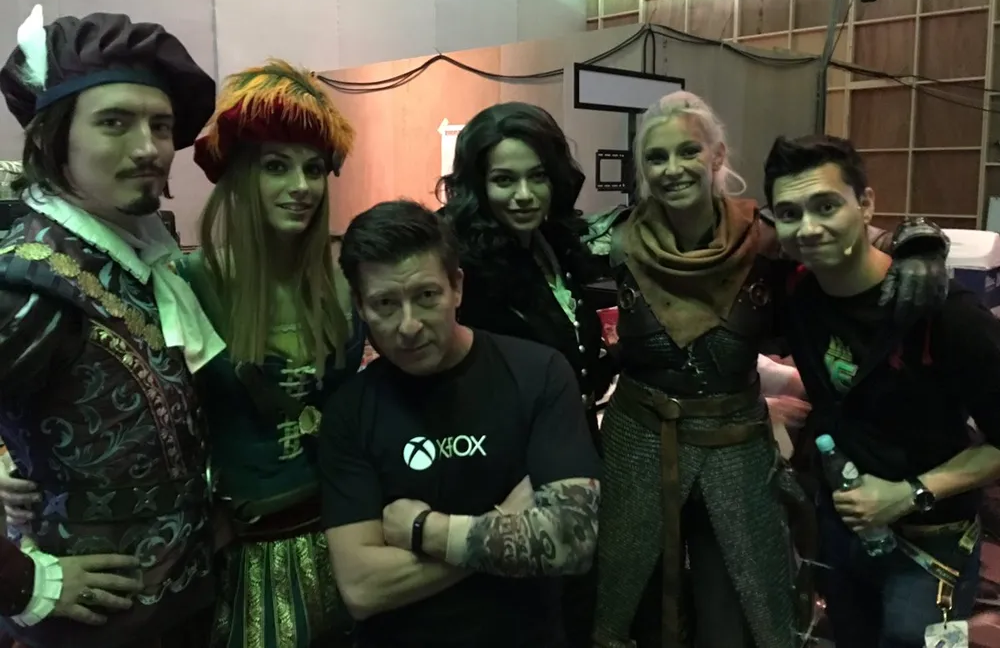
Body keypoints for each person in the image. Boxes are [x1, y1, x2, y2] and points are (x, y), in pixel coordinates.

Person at [590, 91, 950, 648]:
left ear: (717, 156)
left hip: (735, 445)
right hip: (640, 440)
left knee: (743, 607)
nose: (672, 168)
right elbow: (534, 246)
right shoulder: (612, 239)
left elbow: (849, 239)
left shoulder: (762, 236)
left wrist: (918, 244)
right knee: (629, 603)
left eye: (689, 151)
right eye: (656, 157)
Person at [0, 6, 223, 647]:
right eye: (114, 123)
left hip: (182, 606)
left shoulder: (142, 255)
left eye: (160, 125)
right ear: (55, 139)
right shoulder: (28, 280)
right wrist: (24, 584)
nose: (149, 148)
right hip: (91, 630)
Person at [319, 199, 602, 648]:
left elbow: (572, 539)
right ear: (360, 306)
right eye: (385, 304)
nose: (409, 325)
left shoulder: (538, 374)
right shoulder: (348, 412)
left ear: (457, 288)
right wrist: (504, 522)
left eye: (426, 296)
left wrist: (424, 529)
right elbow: (362, 589)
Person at [764, 134, 1000, 647]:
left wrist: (908, 493)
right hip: (841, 531)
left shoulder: (945, 312)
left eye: (827, 205)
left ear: (866, 203)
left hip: (933, 547)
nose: (809, 227)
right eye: (789, 213)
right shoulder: (796, 292)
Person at [177, 59, 364, 647]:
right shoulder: (188, 284)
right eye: (276, 166)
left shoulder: (345, 282)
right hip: (240, 555)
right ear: (240, 176)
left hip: (344, 536)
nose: (301, 187)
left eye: (314, 169)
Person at [437, 103, 615, 647]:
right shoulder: (465, 272)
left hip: (571, 463)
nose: (524, 195)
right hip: (506, 481)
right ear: (477, 186)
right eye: (504, 180)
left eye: (537, 176)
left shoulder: (552, 245)